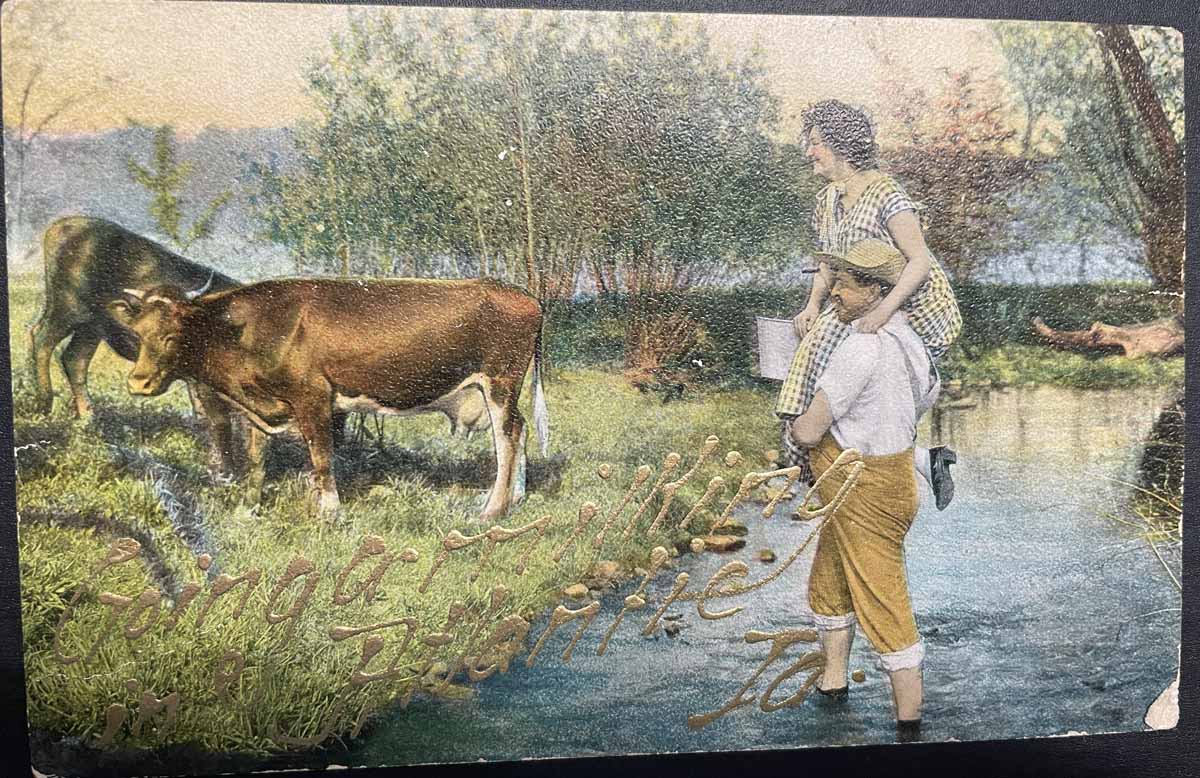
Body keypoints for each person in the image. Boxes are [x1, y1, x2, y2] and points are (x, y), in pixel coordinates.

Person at [787, 239, 939, 741]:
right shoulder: (908, 339)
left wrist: (795, 432)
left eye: (844, 287)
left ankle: (910, 729)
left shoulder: (859, 347)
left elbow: (810, 431)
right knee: (829, 581)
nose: (833, 295)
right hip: (892, 476)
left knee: (885, 601)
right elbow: (927, 395)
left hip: (862, 487)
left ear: (875, 290)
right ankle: (833, 683)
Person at [776, 99, 961, 509]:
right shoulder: (827, 200)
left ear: (842, 146)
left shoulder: (885, 193)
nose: (810, 151)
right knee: (822, 381)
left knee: (838, 384)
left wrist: (883, 312)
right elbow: (830, 260)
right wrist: (811, 305)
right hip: (856, 305)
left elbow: (919, 262)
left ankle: (817, 479)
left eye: (817, 143)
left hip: (904, 306)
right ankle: (823, 480)